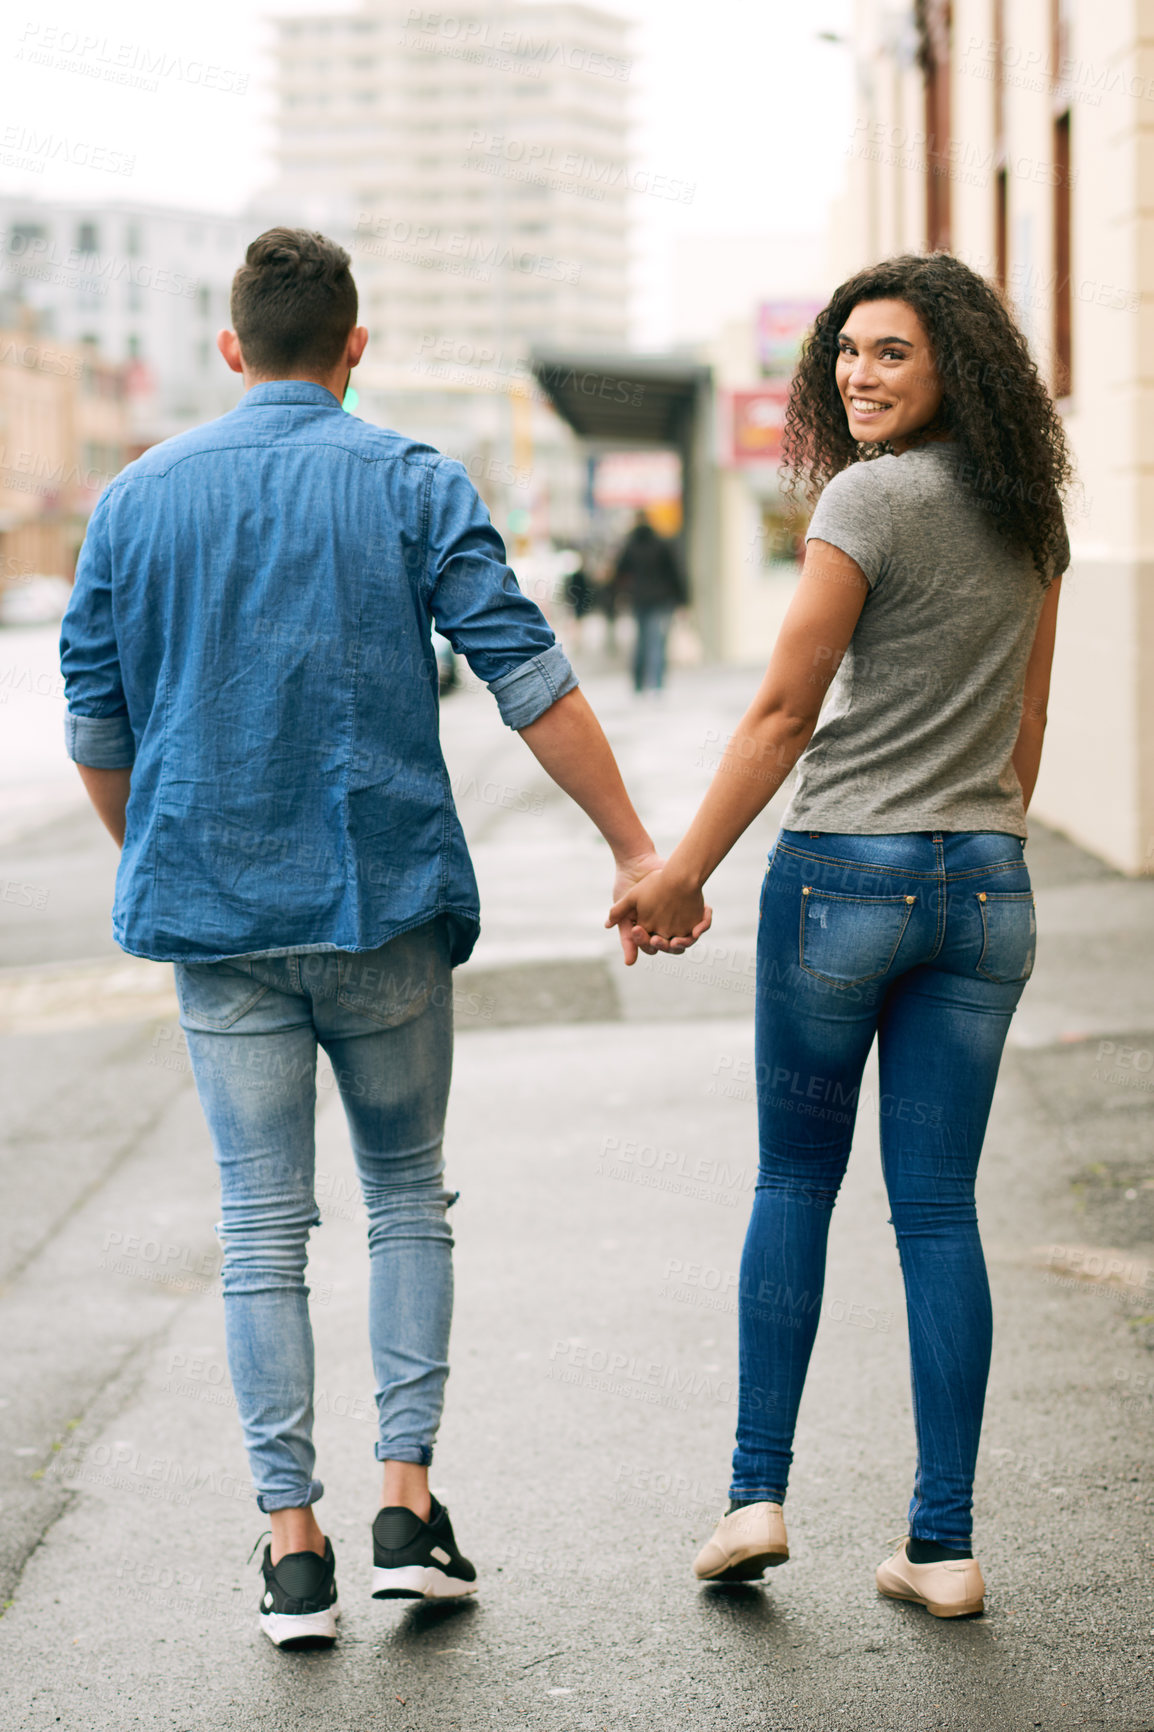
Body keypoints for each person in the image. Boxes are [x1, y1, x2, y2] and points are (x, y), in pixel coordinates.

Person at [59, 228, 709, 1650]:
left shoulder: (133, 501)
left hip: (218, 927)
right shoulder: (412, 481)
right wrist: (632, 846)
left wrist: (167, 855)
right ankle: (405, 1511)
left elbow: (97, 728)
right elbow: (526, 673)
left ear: (233, 348)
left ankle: (292, 1550)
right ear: (356, 347)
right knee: (406, 1195)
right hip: (383, 912)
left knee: (257, 1229)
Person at [610, 252, 1071, 1619]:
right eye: (849, 354)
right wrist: (972, 837)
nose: (861, 377)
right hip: (984, 890)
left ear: (951, 370)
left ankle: (755, 1494)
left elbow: (780, 712)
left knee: (794, 1183)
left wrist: (682, 869)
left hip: (839, 888)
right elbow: (1026, 729)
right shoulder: (1029, 512)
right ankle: (941, 1545)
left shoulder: (867, 498)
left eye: (891, 356)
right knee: (937, 1212)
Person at [610, 510, 688, 693]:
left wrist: (618, 595)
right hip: (661, 599)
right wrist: (683, 599)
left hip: (639, 599)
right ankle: (657, 684)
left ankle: (638, 683)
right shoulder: (661, 543)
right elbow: (675, 573)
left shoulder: (630, 545)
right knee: (657, 641)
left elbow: (618, 573)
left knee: (641, 641)